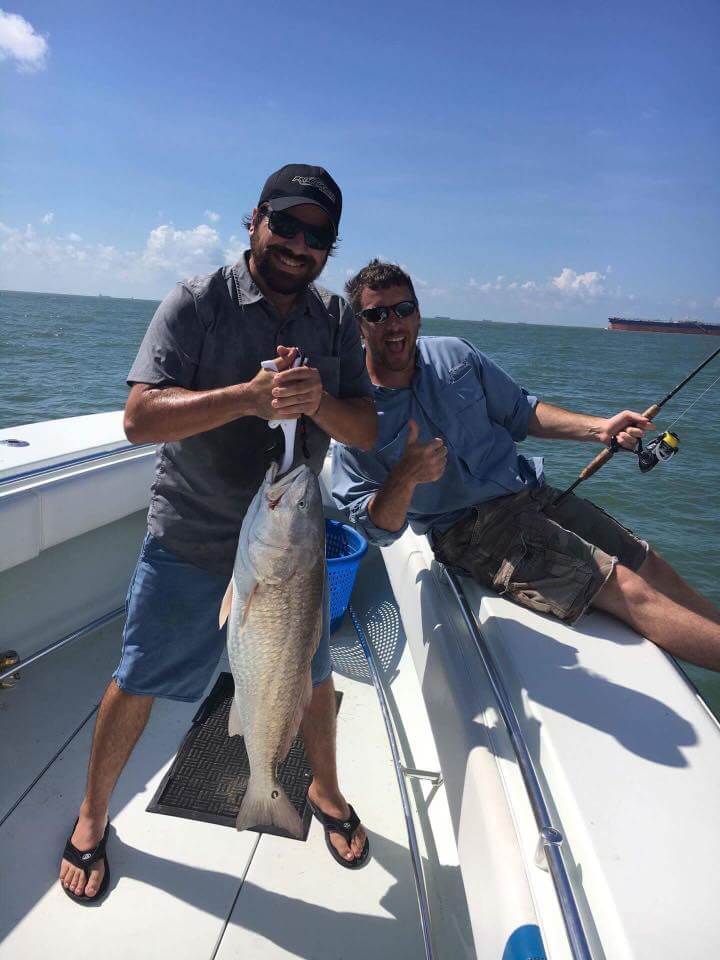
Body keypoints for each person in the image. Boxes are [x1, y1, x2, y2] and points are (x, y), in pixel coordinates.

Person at [60, 165, 376, 903]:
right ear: (256, 219)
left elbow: (364, 426)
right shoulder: (195, 303)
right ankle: (90, 817)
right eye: (287, 225)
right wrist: (246, 397)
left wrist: (320, 400)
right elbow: (140, 419)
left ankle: (322, 794)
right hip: (194, 534)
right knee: (140, 678)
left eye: (318, 236)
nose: (300, 245)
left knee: (312, 679)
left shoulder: (334, 321)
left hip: (290, 548)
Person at [332, 259, 720, 674]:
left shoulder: (456, 354)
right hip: (471, 531)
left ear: (418, 313)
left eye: (403, 309)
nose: (394, 324)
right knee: (627, 589)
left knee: (648, 561)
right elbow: (377, 530)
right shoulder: (353, 416)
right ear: (359, 326)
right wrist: (404, 479)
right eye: (377, 315)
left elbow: (522, 412)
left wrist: (599, 429)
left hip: (531, 493)